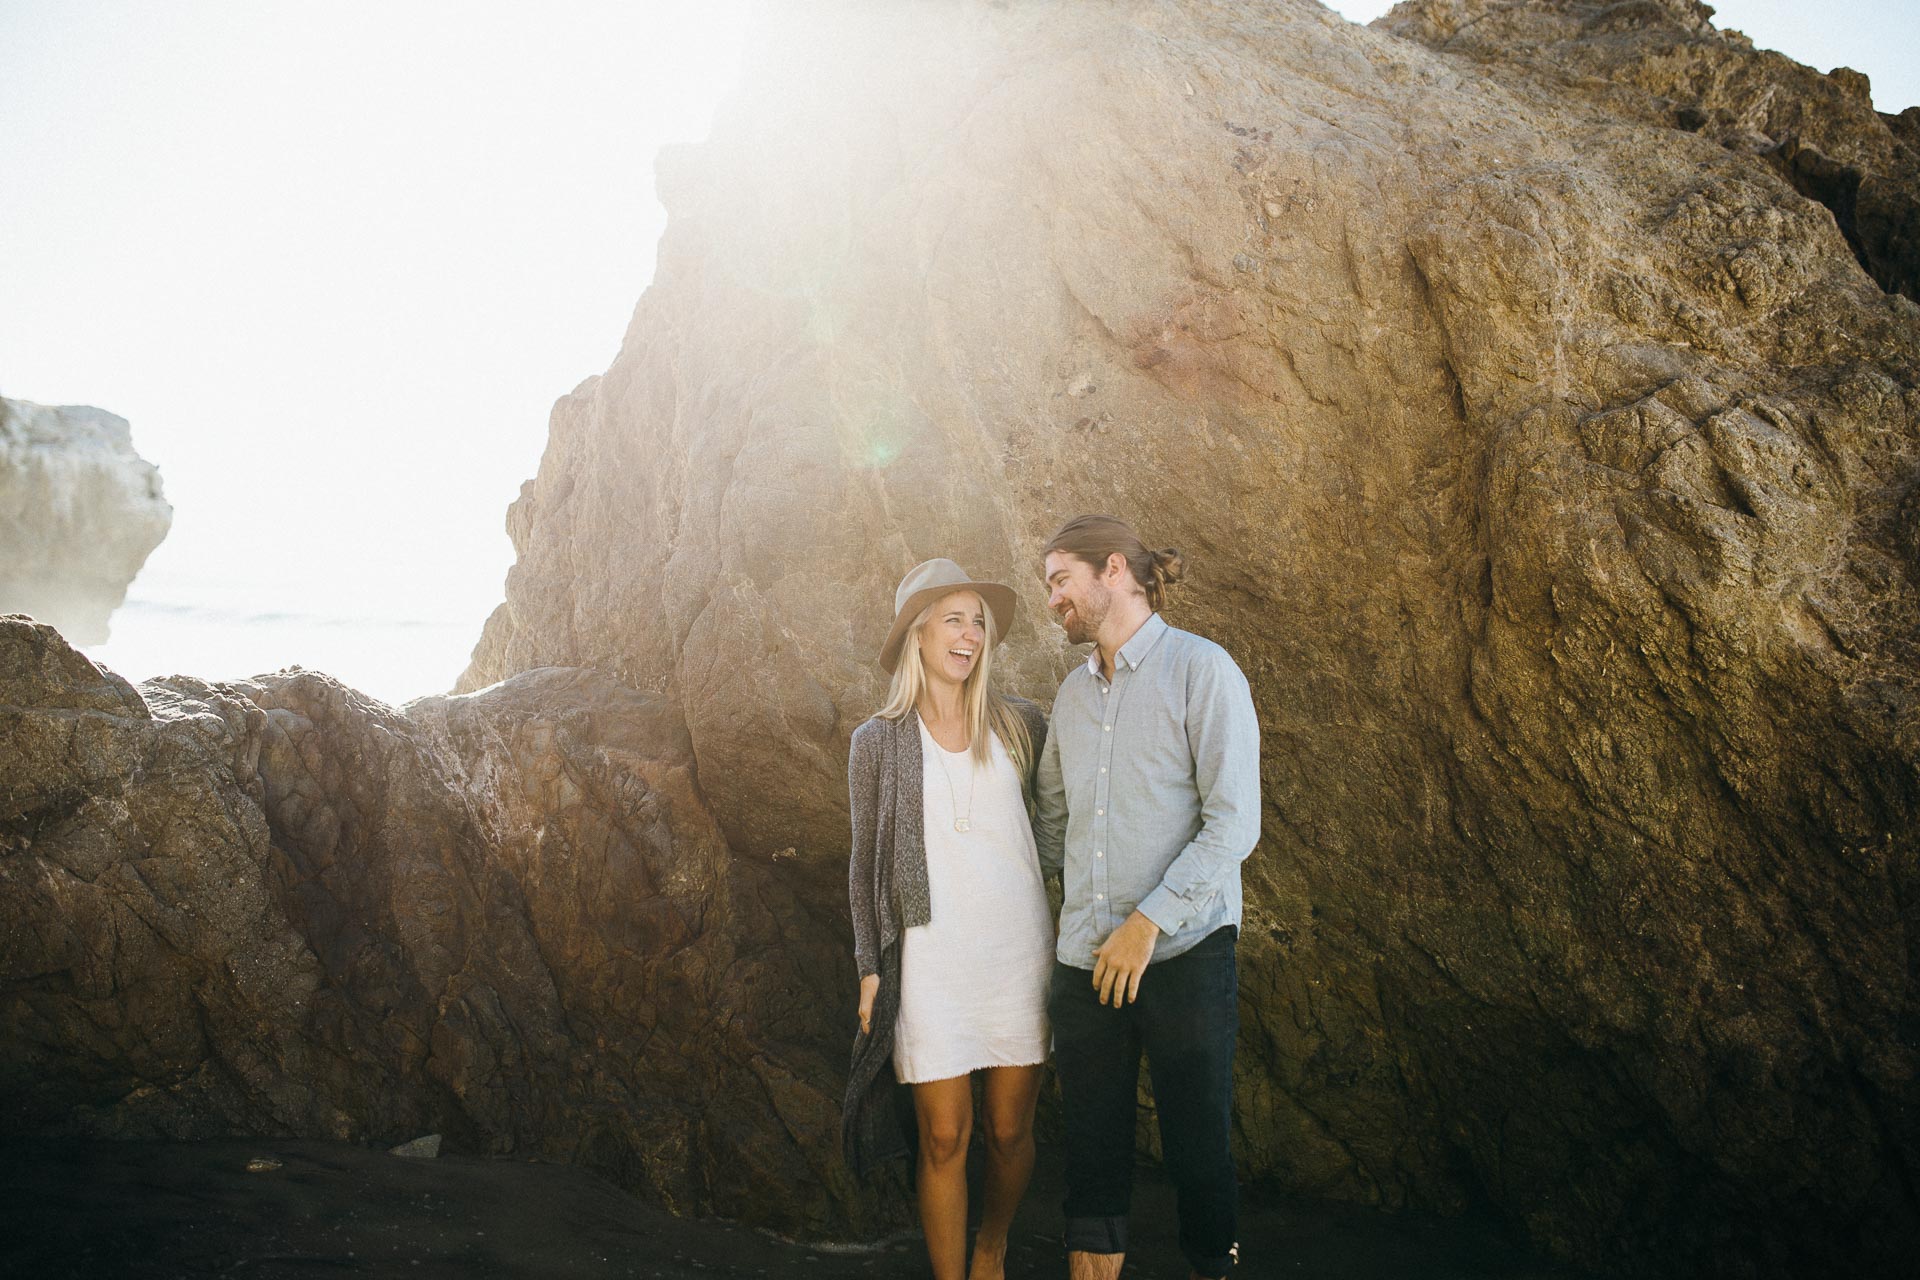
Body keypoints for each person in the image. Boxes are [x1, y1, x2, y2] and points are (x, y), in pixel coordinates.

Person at [1033, 514, 1262, 1280]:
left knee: (1199, 1148)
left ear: (1115, 570)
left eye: (1061, 579)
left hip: (1184, 954)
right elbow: (1052, 829)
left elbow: (1235, 824)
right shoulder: (1068, 697)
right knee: (1089, 1159)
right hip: (1083, 962)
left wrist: (1146, 924)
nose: (1054, 599)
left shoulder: (1203, 671)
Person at [843, 557, 1054, 1280]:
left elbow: (1063, 826)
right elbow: (864, 862)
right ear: (917, 633)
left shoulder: (1022, 723)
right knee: (942, 1138)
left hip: (1017, 952)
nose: (968, 634)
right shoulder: (878, 741)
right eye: (952, 618)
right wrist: (871, 966)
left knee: (1008, 1131)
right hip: (930, 959)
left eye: (978, 621)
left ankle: (992, 1244)